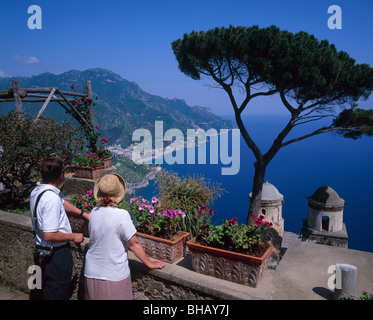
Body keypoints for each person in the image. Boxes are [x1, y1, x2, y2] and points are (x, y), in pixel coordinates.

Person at [84, 173, 165, 300]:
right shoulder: (122, 215)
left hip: (91, 272)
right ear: (118, 194)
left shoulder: (94, 212)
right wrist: (149, 263)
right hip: (113, 274)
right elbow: (134, 244)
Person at [30, 157, 89, 300]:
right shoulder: (51, 199)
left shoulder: (37, 191)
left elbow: (62, 203)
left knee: (38, 291)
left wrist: (84, 214)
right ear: (61, 176)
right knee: (56, 292)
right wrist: (73, 236)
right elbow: (49, 235)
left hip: (40, 253)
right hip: (55, 256)